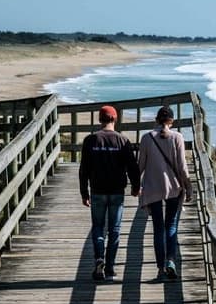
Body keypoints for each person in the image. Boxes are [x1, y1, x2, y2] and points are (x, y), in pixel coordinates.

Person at [79, 105, 140, 281]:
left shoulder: (90, 140)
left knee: (98, 227)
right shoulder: (122, 141)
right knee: (114, 229)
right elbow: (132, 167)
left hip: (97, 190)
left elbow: (84, 170)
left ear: (100, 119)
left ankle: (99, 259)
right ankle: (110, 268)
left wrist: (84, 193)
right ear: (115, 119)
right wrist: (136, 187)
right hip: (116, 192)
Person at [139, 106, 192, 280]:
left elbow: (141, 165)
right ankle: (171, 260)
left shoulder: (146, 138)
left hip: (153, 188)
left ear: (156, 119)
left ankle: (161, 268)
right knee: (171, 226)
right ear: (172, 121)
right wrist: (189, 186)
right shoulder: (177, 137)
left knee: (158, 228)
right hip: (174, 188)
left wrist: (134, 185)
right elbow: (183, 168)